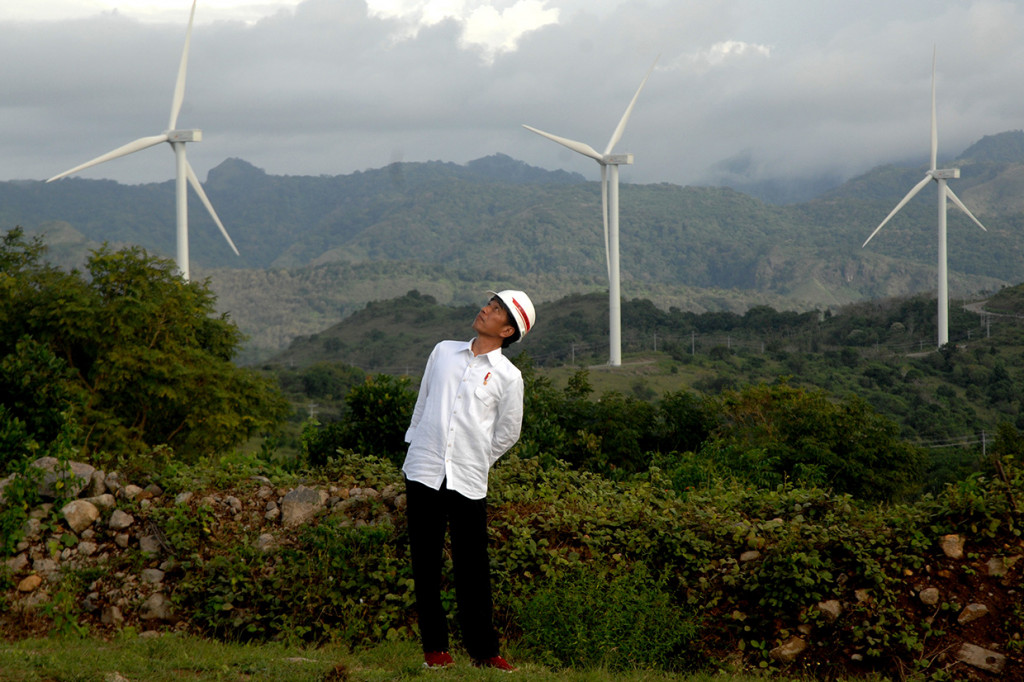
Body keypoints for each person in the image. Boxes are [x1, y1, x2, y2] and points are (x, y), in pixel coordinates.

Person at [402, 289, 536, 671]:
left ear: (508, 329)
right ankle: (435, 651)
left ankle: (484, 652)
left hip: (468, 479)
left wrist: (477, 459)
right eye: (489, 304)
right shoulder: (443, 351)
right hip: (424, 471)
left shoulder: (510, 377)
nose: (485, 309)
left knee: (472, 567)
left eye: (495, 310)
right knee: (425, 562)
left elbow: (508, 432)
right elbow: (423, 403)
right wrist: (417, 444)